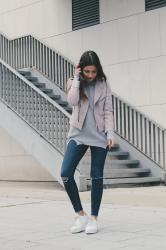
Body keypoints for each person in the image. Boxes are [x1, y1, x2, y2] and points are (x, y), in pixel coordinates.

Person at [60, 50, 115, 234]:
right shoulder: (73, 82)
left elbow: (108, 110)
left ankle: (93, 219)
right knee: (66, 173)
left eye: (93, 72)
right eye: (87, 72)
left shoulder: (104, 84)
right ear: (81, 69)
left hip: (99, 136)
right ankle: (80, 214)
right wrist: (76, 78)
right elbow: (73, 101)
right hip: (78, 134)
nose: (90, 75)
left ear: (98, 70)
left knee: (96, 176)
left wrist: (110, 133)